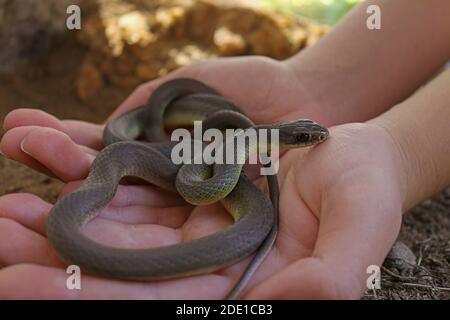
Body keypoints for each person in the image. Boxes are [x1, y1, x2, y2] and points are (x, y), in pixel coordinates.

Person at [0, 0, 449, 299]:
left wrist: (399, 150)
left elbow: (202, 181)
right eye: (305, 137)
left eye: (308, 137)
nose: (317, 139)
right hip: (181, 156)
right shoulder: (205, 159)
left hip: (208, 164)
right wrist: (314, 87)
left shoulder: (220, 164)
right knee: (117, 147)